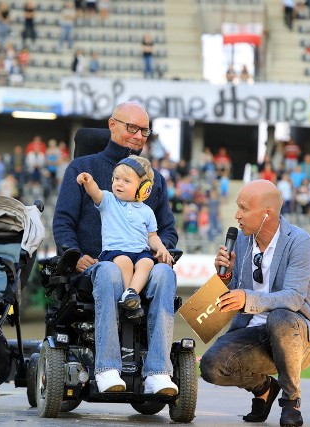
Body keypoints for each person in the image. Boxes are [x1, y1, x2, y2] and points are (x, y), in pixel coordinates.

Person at [53, 101, 179, 395]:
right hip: (96, 266)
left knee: (164, 275)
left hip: (140, 265)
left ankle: (158, 373)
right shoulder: (83, 168)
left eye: (144, 131)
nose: (138, 136)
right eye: (131, 128)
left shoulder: (154, 181)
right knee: (109, 270)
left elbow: (167, 229)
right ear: (112, 125)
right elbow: (63, 222)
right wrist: (74, 253)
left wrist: (163, 249)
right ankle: (107, 368)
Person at [199, 179, 310, 427]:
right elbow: (233, 298)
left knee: (280, 317)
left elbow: (293, 297)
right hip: (254, 333)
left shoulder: (300, 242)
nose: (236, 215)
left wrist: (248, 298)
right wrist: (226, 277)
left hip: (295, 334)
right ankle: (264, 388)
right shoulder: (241, 240)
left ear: (266, 214)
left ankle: (291, 401)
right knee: (210, 366)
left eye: (243, 208)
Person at [76, 155, 173, 319]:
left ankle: (131, 293)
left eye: (126, 181)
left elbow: (152, 236)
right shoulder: (108, 200)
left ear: (144, 189)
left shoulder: (147, 212)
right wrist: (88, 182)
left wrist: (161, 247)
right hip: (115, 252)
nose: (119, 183)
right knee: (125, 262)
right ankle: (128, 301)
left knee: (147, 262)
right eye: (116, 179)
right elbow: (95, 192)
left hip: (140, 252)